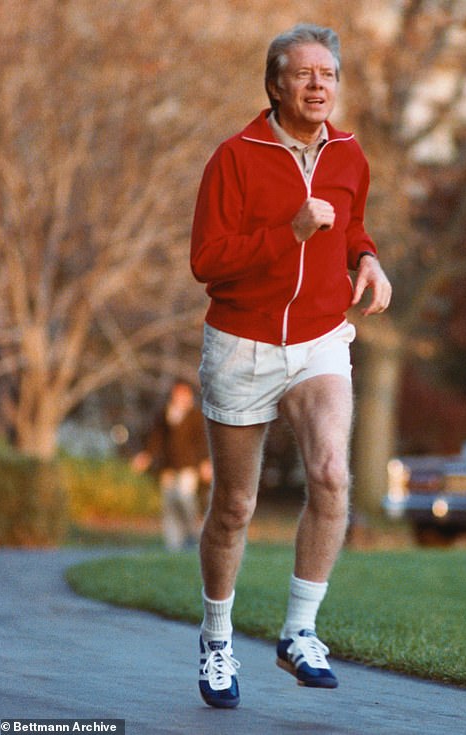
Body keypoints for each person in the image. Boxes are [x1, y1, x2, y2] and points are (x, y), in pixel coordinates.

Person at [190, 23, 391, 709]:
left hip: (318, 339)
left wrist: (366, 258)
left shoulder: (349, 152)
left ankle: (299, 630)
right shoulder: (235, 157)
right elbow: (208, 263)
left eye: (328, 74)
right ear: (276, 84)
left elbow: (353, 223)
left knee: (332, 471)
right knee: (236, 505)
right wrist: (291, 234)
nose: (318, 86)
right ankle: (217, 640)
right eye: (304, 74)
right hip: (242, 343)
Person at [132, 381, 212, 551]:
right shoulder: (164, 414)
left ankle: (192, 535)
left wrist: (206, 462)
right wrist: (146, 456)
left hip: (188, 467)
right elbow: (156, 438)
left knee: (185, 499)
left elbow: (203, 442)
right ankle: (173, 545)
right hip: (168, 467)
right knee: (169, 505)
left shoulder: (196, 415)